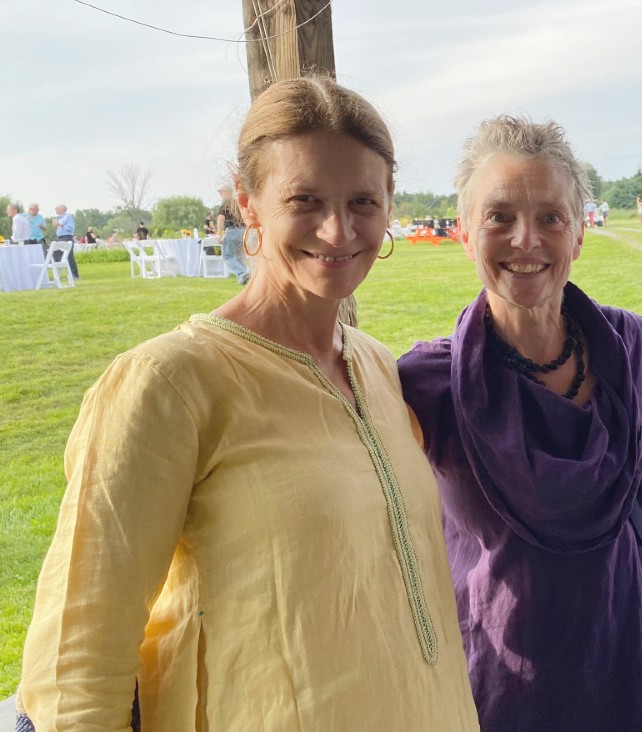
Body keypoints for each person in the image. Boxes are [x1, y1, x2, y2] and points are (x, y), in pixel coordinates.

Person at [18, 75, 479, 731]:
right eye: (305, 199)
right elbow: (77, 659)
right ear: (248, 204)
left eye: (363, 201)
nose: (338, 228)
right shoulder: (172, 381)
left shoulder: (377, 366)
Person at [397, 115, 642, 731]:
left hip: (630, 673)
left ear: (578, 235)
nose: (526, 239)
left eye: (550, 217)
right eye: (499, 217)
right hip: (500, 694)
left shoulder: (634, 347)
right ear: (466, 234)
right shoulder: (426, 384)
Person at [215, 185, 251, 284]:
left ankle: (242, 273)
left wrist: (219, 234)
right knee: (239, 256)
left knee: (227, 256)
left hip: (232, 231)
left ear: (227, 192)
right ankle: (244, 278)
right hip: (243, 231)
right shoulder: (238, 203)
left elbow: (221, 218)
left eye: (221, 193)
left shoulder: (226, 203)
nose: (221, 195)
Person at [53, 204, 80, 279]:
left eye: (56, 208)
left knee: (68, 256)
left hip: (66, 237)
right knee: (58, 255)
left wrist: (60, 225)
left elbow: (70, 228)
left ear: (61, 209)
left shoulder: (68, 217)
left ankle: (74, 275)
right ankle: (66, 275)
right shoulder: (59, 218)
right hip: (60, 237)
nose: (55, 210)